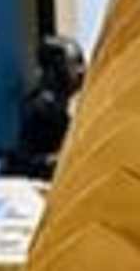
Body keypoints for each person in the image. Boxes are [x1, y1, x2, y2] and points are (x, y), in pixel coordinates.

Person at [6, 33, 87, 182]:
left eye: (82, 62)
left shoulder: (65, 108)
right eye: (74, 63)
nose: (82, 70)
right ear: (52, 70)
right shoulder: (38, 110)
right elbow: (23, 161)